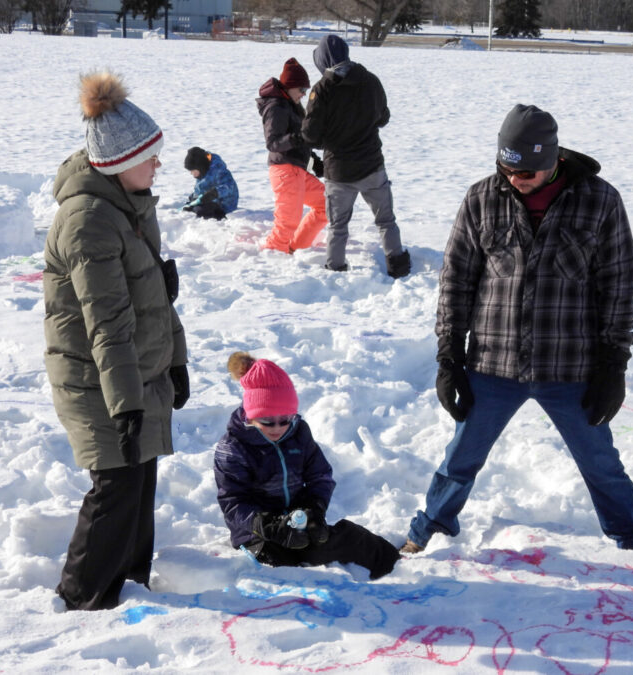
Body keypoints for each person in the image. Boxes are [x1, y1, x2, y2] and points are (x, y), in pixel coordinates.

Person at [402, 104, 633, 555]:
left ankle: (631, 536)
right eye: (507, 167)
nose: (516, 179)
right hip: (492, 363)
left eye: (529, 171)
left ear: (554, 159)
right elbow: (457, 279)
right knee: (460, 458)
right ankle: (431, 530)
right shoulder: (481, 198)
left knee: (600, 462)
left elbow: (618, 284)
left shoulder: (600, 200)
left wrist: (614, 364)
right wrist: (448, 355)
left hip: (570, 365)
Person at [44, 70, 189, 610]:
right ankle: (80, 600)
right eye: (150, 156)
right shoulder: (88, 221)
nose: (158, 165)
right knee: (116, 487)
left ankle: (131, 587)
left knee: (140, 480)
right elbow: (107, 322)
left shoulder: (130, 206)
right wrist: (127, 405)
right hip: (97, 379)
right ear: (119, 161)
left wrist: (176, 361)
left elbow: (154, 296)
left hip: (132, 374)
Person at [214, 352, 399, 580]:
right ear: (251, 416)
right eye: (267, 421)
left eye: (285, 419)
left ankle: (394, 563)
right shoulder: (234, 447)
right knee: (283, 569)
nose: (277, 428)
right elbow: (232, 502)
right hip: (257, 533)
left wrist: (314, 507)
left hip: (298, 518)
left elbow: (320, 476)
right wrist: (265, 524)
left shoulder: (298, 433)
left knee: (340, 540)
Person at [302, 34, 410, 278]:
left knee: (338, 226)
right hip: (372, 166)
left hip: (338, 172)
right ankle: (398, 266)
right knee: (385, 220)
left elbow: (310, 134)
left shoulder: (322, 90)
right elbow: (383, 117)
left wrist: (326, 139)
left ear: (323, 60)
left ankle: (336, 269)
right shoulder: (370, 81)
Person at [256, 58, 328, 254]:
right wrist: (299, 137)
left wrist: (314, 160)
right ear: (289, 86)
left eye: (306, 90)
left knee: (326, 204)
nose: (304, 94)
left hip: (297, 171)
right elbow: (273, 142)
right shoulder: (276, 107)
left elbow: (299, 139)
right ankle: (272, 257)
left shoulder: (291, 105)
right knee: (287, 222)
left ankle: (297, 248)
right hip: (285, 171)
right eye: (301, 90)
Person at [182, 146, 239, 220]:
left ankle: (218, 215)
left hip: (225, 203)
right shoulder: (203, 171)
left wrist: (214, 193)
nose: (191, 173)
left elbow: (229, 186)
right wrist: (194, 199)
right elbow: (201, 187)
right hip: (210, 200)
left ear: (200, 167)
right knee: (193, 203)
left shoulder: (218, 170)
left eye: (193, 171)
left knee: (201, 211)